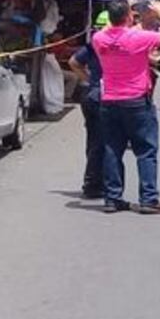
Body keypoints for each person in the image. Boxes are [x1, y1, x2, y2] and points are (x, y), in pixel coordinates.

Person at [93, 0, 160, 214]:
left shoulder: (99, 38)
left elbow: (114, 28)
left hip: (110, 100)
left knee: (112, 149)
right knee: (146, 150)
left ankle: (112, 198)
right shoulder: (137, 37)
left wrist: (121, 10)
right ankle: (148, 198)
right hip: (137, 100)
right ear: (129, 17)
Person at [67, 10, 109, 199]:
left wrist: (89, 79)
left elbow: (73, 62)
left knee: (94, 141)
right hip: (105, 97)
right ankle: (95, 183)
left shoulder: (93, 44)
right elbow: (74, 62)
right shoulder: (112, 44)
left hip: (91, 95)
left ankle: (94, 181)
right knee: (105, 142)